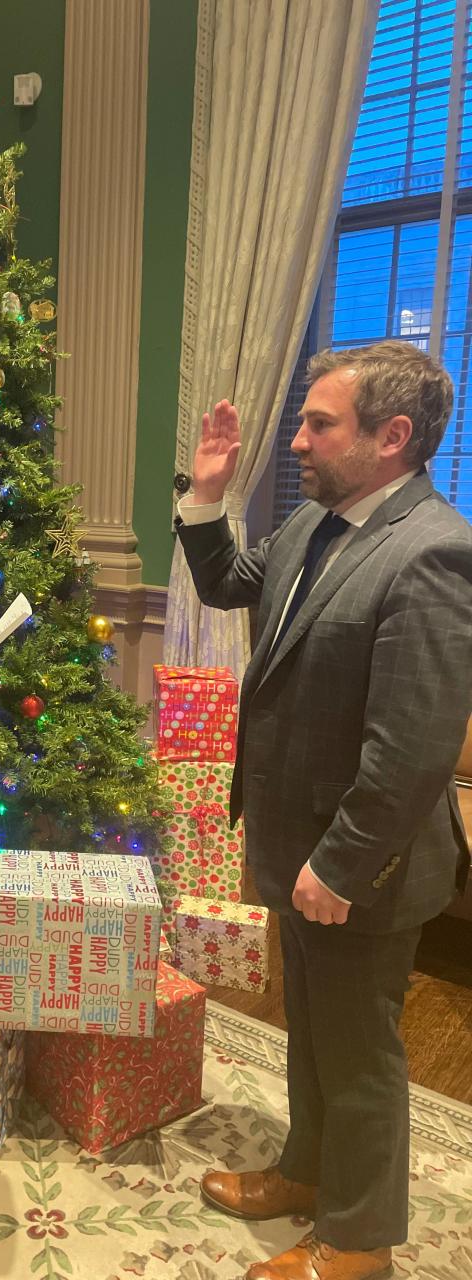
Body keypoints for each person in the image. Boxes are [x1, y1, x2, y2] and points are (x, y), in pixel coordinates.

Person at [175, 340, 472, 1280]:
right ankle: (307, 1174)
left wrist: (340, 866)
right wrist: (209, 493)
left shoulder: (434, 553)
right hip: (295, 846)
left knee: (361, 1056)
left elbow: (412, 748)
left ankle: (359, 1244)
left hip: (359, 868)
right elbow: (228, 584)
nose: (296, 440)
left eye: (319, 423)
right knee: (316, 1030)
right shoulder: (314, 524)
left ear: (392, 437)